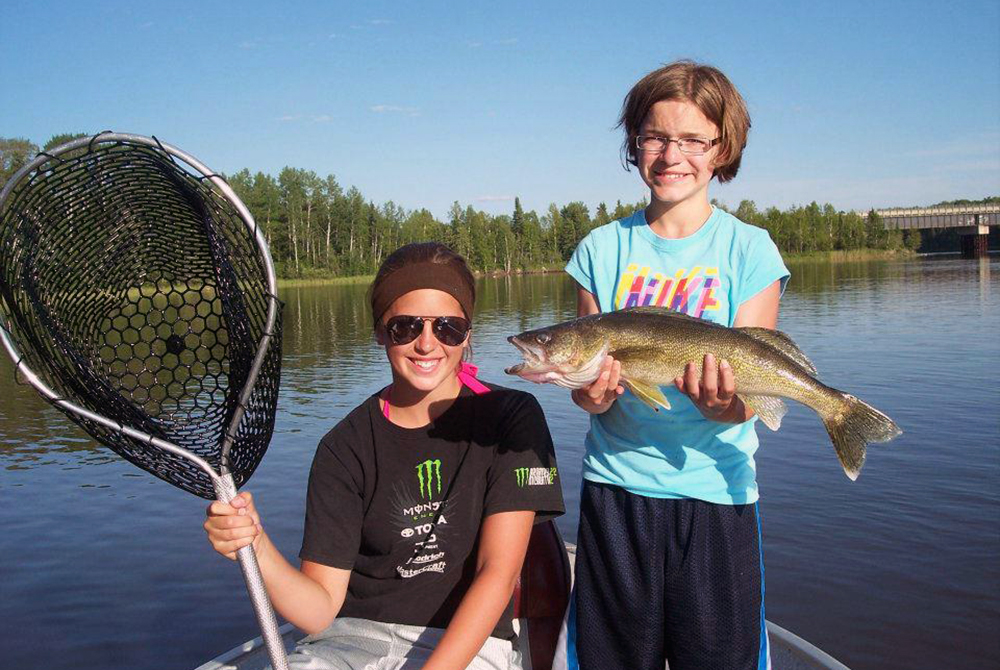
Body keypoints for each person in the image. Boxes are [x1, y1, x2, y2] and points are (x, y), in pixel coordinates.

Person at [205, 241, 565, 670]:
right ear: (380, 332)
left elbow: (497, 574)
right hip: (348, 642)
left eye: (448, 328)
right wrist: (257, 545)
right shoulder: (343, 448)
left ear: (467, 334)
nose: (427, 344)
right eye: (405, 327)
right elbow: (319, 611)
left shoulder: (510, 418)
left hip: (467, 647)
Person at [563, 61, 789, 670]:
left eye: (693, 140)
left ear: (723, 149)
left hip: (717, 495)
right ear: (634, 143)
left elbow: (748, 396)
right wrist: (591, 395)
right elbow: (588, 384)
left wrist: (726, 404)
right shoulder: (600, 251)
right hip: (617, 493)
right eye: (656, 137)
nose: (671, 155)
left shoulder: (750, 251)